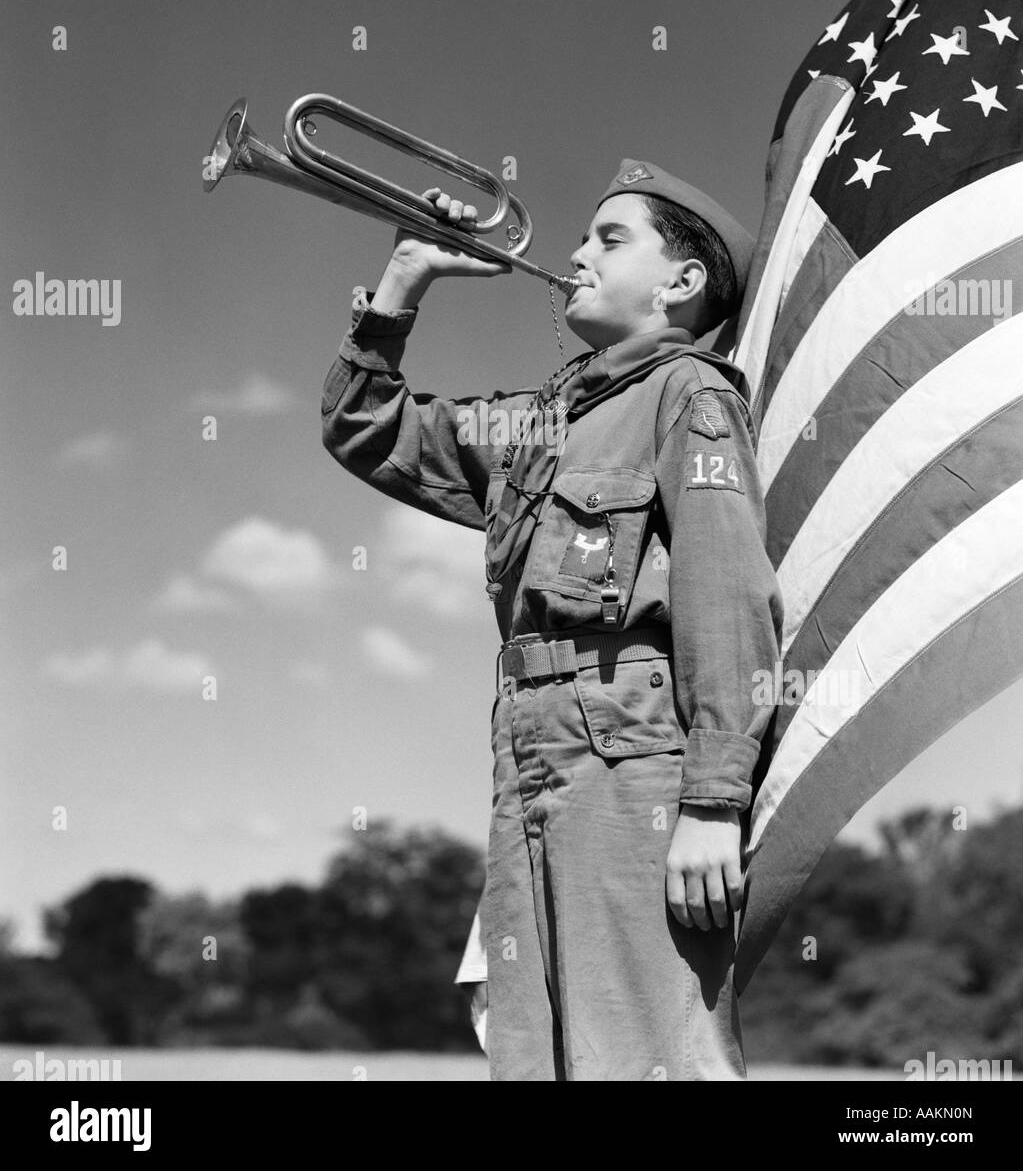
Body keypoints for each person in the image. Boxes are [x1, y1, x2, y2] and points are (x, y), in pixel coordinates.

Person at [321, 159, 784, 1081]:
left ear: (682, 284)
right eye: (583, 237)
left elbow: (725, 592)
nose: (576, 254)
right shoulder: (538, 422)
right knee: (533, 1057)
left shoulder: (691, 393)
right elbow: (362, 424)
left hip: (632, 758)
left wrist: (710, 799)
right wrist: (406, 276)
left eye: (610, 240)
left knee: (646, 1053)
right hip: (525, 753)